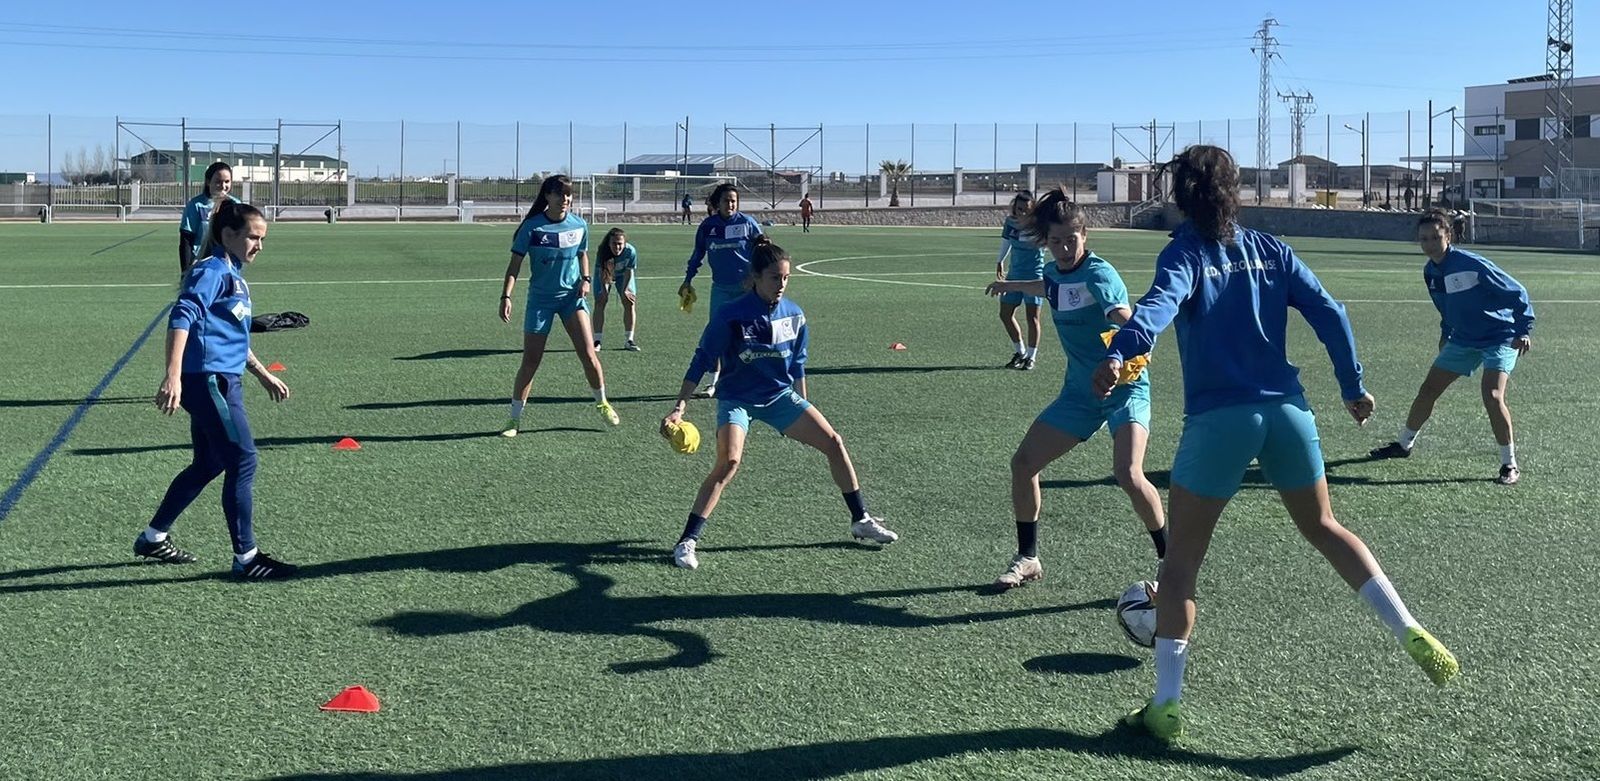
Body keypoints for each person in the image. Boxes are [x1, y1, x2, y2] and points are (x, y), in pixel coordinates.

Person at [1097, 146, 1458, 743]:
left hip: (1221, 419)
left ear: (1182, 196)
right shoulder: (1272, 249)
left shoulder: (1184, 252)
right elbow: (1330, 312)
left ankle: (1165, 706)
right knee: (1326, 527)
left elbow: (1158, 307)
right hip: (1288, 412)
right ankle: (1409, 627)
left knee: (1180, 564)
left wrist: (1121, 352)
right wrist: (1352, 387)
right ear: (1233, 191)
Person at [660, 236, 899, 570]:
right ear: (756, 277)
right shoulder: (732, 315)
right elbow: (702, 359)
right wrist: (679, 407)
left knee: (834, 442)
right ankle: (687, 541)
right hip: (738, 400)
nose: (782, 284)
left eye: (786, 277)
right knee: (729, 462)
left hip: (780, 397)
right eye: (775, 277)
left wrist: (803, 403)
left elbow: (798, 363)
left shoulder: (794, 314)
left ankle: (861, 519)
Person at [984, 189, 1166, 588]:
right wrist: (1010, 284)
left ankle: (1170, 562)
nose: (1065, 249)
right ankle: (1028, 558)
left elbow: (1124, 316)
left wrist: (1127, 340)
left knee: (1129, 473)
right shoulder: (1054, 273)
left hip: (1124, 387)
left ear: (1085, 235)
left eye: (1072, 240)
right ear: (1046, 243)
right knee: (1023, 465)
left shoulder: (1099, 274)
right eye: (1056, 241)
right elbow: (1049, 286)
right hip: (1080, 395)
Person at [136, 200, 297, 579]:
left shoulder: (232, 272)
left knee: (209, 462)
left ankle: (152, 537)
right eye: (253, 237)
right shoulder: (211, 271)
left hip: (222, 379)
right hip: (210, 381)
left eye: (263, 239)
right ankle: (247, 559)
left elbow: (230, 334)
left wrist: (262, 374)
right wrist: (172, 375)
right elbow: (182, 316)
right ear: (228, 235)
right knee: (243, 459)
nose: (259, 246)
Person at [1368, 210, 1534, 485]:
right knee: (1428, 390)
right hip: (1464, 339)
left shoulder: (1471, 264)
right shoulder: (1430, 271)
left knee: (1492, 395)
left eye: (1435, 237)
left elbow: (1517, 292)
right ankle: (1404, 445)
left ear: (1448, 236)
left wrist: (1524, 330)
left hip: (1500, 336)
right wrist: (1446, 333)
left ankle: (1509, 464)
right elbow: (1445, 307)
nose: (1429, 244)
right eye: (1424, 239)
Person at [499, 174, 620, 436]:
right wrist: (506, 296)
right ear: (547, 196)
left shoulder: (579, 225)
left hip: (571, 300)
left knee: (589, 354)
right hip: (540, 301)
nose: (565, 199)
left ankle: (602, 403)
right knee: (531, 361)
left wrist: (586, 279)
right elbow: (514, 266)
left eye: (568, 194)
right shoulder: (532, 227)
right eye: (559, 193)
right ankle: (513, 420)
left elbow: (582, 254)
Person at [680, 182, 762, 398]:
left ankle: (749, 380)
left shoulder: (748, 223)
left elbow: (763, 252)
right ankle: (712, 383)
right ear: (718, 203)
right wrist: (687, 280)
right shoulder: (708, 227)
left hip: (747, 290)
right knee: (716, 335)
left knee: (749, 336)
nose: (730, 204)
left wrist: (755, 278)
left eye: (734, 201)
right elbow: (697, 255)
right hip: (721, 290)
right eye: (726, 200)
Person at [996, 191, 1047, 370]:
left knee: (1032, 317)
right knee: (1005, 314)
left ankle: (1031, 357)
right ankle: (1020, 352)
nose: (1022, 212)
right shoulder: (1011, 222)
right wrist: (1000, 261)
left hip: (1034, 275)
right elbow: (1006, 241)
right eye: (1019, 209)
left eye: (1027, 209)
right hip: (1014, 275)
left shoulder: (1040, 225)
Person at [178, 161, 237, 274]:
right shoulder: (196, 205)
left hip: (228, 264)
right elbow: (186, 240)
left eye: (227, 181)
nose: (223, 186)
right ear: (208, 182)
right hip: (201, 264)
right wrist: (185, 271)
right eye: (218, 182)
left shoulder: (235, 205)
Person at [592, 227, 641, 352]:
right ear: (609, 243)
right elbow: (603, 272)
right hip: (606, 273)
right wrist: (604, 291)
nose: (617, 247)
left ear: (624, 243)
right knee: (600, 301)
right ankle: (597, 341)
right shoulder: (603, 251)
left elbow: (629, 272)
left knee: (629, 301)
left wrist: (625, 291)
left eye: (620, 244)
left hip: (623, 274)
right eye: (614, 244)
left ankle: (629, 340)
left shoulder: (630, 251)